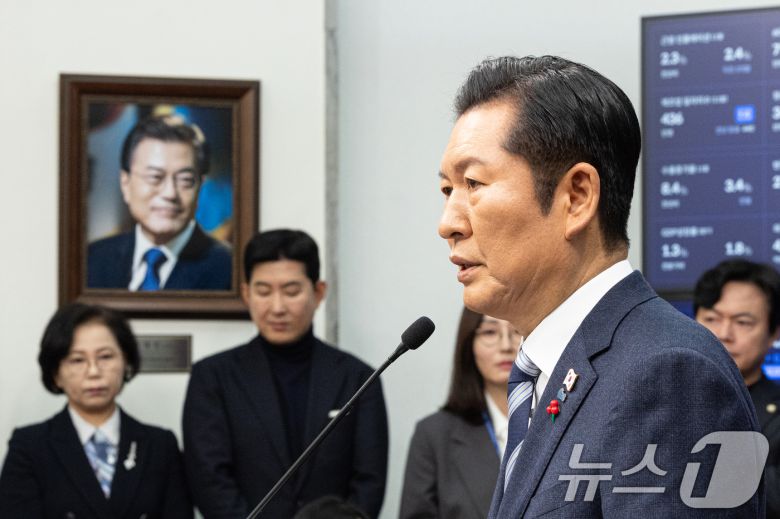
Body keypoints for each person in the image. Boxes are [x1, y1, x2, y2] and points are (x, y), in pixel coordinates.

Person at [437, 55, 763, 517]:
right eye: (447, 190)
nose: (448, 224)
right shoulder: (548, 371)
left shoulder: (668, 375)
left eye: (473, 183)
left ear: (577, 196)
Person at [182, 229, 389, 518]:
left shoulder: (358, 378)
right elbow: (210, 481)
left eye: (291, 292)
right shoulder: (213, 378)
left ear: (318, 293)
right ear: (246, 294)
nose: (277, 307)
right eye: (263, 292)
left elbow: (368, 482)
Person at [0, 303, 192, 518]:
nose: (93, 371)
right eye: (77, 360)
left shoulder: (160, 445)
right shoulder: (29, 446)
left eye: (105, 356)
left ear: (126, 362)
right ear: (56, 374)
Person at [400, 307, 521, 518]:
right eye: (490, 332)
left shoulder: (561, 421)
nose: (506, 345)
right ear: (469, 345)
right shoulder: (434, 435)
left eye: (517, 330)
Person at [87, 114, 232, 291]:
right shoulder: (92, 260)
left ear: (200, 187)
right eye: (155, 177)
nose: (170, 193)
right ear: (126, 184)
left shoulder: (229, 268)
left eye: (185, 180)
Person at [694, 259, 780, 518]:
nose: (723, 334)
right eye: (711, 319)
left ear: (774, 333)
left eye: (742, 322)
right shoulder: (659, 401)